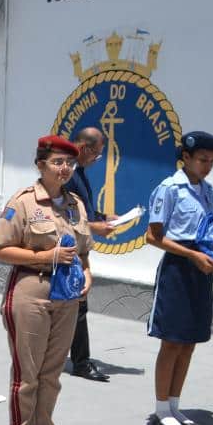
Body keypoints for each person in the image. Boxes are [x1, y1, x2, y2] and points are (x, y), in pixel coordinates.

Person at [0, 135, 93, 425]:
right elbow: (0, 249)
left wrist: (88, 274)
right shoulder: (23, 202)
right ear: (40, 165)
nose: (64, 169)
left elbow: (83, 249)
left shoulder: (75, 203)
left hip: (67, 296)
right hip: (31, 290)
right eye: (57, 162)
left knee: (52, 371)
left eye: (69, 163)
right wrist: (46, 256)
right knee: (28, 371)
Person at [144, 131, 213, 425]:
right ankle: (161, 408)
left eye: (212, 161)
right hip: (178, 267)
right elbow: (153, 237)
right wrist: (191, 255)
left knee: (190, 341)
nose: (208, 166)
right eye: (203, 160)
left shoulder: (208, 190)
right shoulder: (169, 189)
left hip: (200, 266)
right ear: (186, 157)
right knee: (172, 339)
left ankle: (176, 405)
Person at [65, 128, 116, 382]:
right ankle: (81, 363)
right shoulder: (69, 172)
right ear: (84, 147)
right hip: (66, 249)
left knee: (74, 305)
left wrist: (102, 218)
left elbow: (82, 208)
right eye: (96, 153)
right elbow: (65, 214)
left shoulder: (80, 172)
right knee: (76, 304)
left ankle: (71, 358)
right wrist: (95, 227)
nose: (98, 158)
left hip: (78, 249)